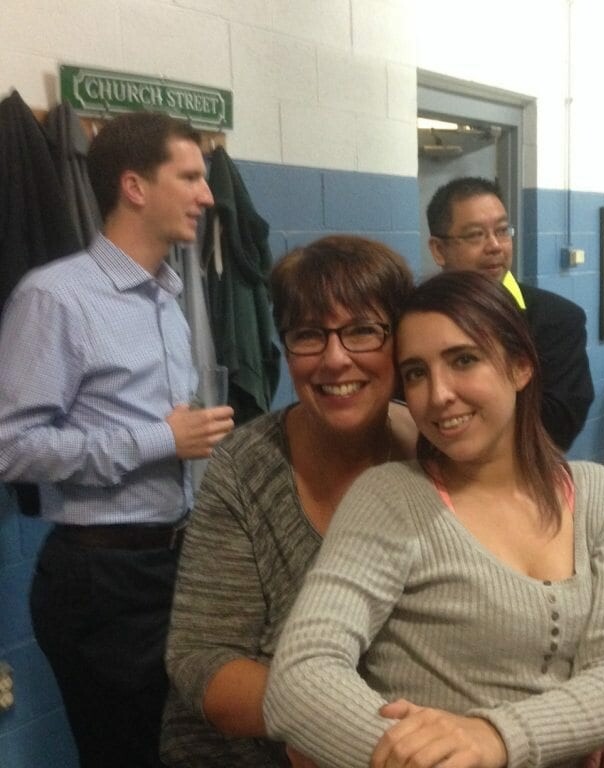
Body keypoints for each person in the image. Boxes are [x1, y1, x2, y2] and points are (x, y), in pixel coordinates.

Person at [264, 270, 604, 768]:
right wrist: (436, 756)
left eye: (463, 360)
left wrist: (495, 738)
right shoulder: (392, 499)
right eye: (416, 373)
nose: (439, 393)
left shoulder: (601, 497)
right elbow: (299, 679)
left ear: (519, 366)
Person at [0, 111, 235, 768]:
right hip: (101, 580)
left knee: (189, 749)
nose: (207, 195)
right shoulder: (55, 298)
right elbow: (10, 448)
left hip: (174, 564)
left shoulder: (168, 294)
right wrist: (159, 440)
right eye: (190, 177)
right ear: (135, 186)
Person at [161, 235, 417, 766]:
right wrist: (343, 728)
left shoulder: (439, 455)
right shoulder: (247, 468)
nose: (335, 359)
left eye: (363, 331)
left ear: (401, 342)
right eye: (308, 336)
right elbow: (202, 660)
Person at [426, 177, 594, 450]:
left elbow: (560, 423)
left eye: (503, 231)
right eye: (475, 235)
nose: (495, 246)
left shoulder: (558, 320)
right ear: (439, 250)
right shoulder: (417, 322)